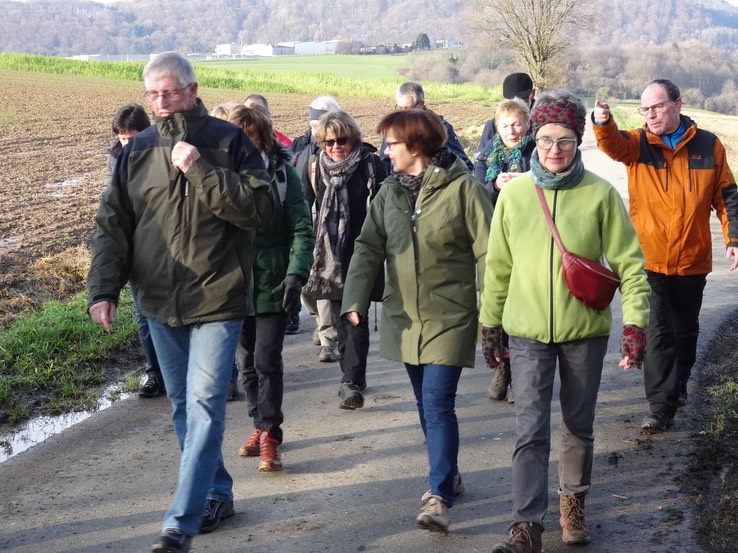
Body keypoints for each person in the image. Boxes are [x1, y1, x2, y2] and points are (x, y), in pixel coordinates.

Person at [87, 52, 273, 553]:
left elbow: (259, 209)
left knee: (206, 404)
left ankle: (179, 524)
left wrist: (199, 170)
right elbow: (113, 223)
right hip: (157, 299)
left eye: (170, 91)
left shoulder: (228, 142)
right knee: (183, 408)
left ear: (192, 90)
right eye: (153, 93)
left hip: (217, 295)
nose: (162, 101)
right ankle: (216, 492)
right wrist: (103, 290)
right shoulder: (137, 150)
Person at [480, 90, 650, 553]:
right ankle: (525, 525)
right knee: (530, 429)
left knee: (578, 424)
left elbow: (631, 265)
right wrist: (490, 324)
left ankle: (572, 501)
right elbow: (497, 268)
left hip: (584, 333)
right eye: (546, 140)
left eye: (566, 140)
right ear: (533, 140)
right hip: (527, 333)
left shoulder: (600, 194)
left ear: (578, 141)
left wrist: (634, 324)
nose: (555, 149)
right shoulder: (515, 196)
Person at [342, 108, 492, 532]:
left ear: (417, 145)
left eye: (391, 144)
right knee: (426, 405)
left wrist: (493, 313)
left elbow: (490, 253)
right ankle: (448, 472)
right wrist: (354, 299)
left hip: (451, 315)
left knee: (438, 403)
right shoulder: (388, 193)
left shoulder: (464, 189)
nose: (385, 152)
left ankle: (438, 495)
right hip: (405, 317)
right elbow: (367, 247)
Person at [593, 79, 738, 433]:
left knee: (685, 331)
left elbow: (727, 197)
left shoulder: (708, 145)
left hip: (692, 259)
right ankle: (659, 406)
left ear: (678, 103)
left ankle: (678, 385)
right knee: (659, 332)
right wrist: (602, 122)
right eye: (645, 109)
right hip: (649, 259)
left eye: (657, 106)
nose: (651, 115)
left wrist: (734, 238)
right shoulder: (637, 144)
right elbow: (611, 144)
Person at [229, 104, 314, 472]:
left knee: (266, 360)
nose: (246, 147)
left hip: (274, 281)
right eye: (239, 139)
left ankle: (270, 435)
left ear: (264, 138)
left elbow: (302, 228)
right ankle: (258, 423)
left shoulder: (283, 175)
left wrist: (296, 273)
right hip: (234, 284)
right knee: (246, 363)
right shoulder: (223, 177)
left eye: (252, 139)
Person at [302, 110, 387, 409]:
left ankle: (350, 379)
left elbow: (385, 208)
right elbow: (304, 208)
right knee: (341, 320)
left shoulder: (370, 164)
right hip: (328, 256)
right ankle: (352, 377)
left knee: (355, 316)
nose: (336, 147)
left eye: (342, 140)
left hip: (362, 253)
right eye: (329, 142)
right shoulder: (315, 167)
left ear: (353, 139)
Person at [473, 97, 535, 405]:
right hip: (495, 238)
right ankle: (502, 369)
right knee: (497, 305)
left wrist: (526, 181)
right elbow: (475, 193)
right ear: (497, 127)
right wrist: (494, 185)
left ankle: (521, 377)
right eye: (505, 125)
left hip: (529, 237)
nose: (512, 131)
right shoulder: (486, 155)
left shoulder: (537, 150)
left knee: (525, 306)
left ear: (527, 123)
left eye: (517, 124)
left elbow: (552, 183)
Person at [103, 103, 164, 398]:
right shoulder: (115, 156)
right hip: (135, 248)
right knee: (144, 315)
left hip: (167, 247)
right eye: (121, 137)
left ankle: (189, 371)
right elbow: (112, 205)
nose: (126, 143)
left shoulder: (162, 152)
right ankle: (154, 373)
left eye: (131, 137)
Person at [290, 95, 343, 345]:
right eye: (312, 125)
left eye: (318, 125)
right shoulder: (299, 146)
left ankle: (327, 334)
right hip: (307, 223)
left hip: (333, 226)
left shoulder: (340, 146)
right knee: (306, 281)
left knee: (326, 279)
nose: (314, 130)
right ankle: (319, 320)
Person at [378, 82, 472, 173]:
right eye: (399, 108)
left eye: (407, 109)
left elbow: (464, 164)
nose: (402, 114)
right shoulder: (393, 129)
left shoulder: (439, 128)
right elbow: (384, 163)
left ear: (421, 104)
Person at [478, 72, 536, 152]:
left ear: (533, 93)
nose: (518, 104)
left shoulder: (543, 123)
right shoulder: (492, 126)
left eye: (523, 99)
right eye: (511, 100)